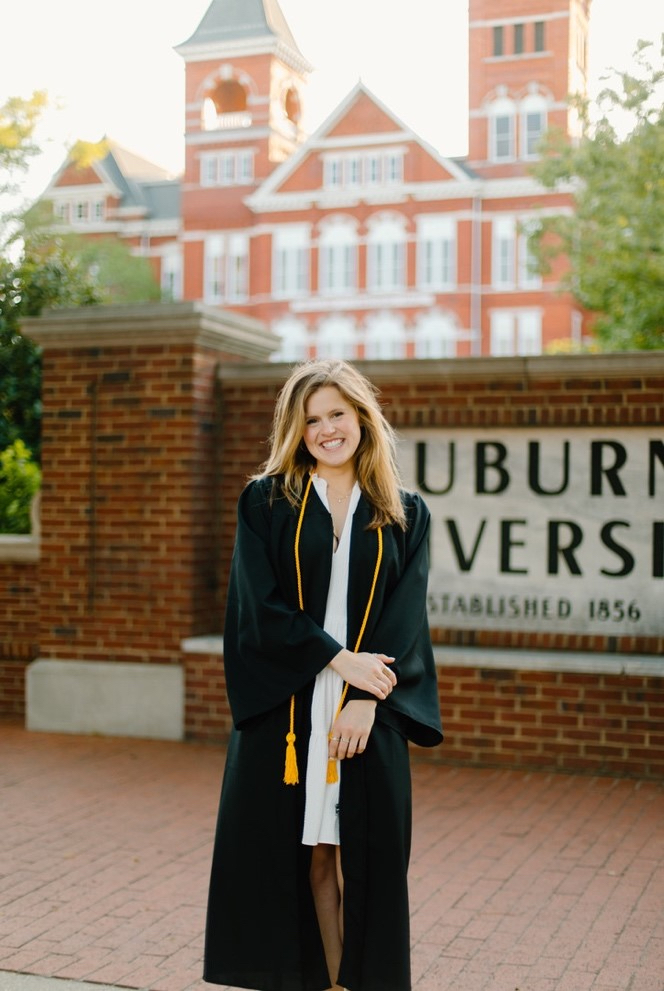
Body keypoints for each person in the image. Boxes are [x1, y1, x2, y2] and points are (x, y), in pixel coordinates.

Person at [204, 359, 443, 991]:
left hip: (370, 709)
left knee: (361, 859)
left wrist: (367, 699)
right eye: (311, 419)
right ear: (296, 429)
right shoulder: (268, 500)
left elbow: (405, 617)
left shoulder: (406, 512)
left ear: (363, 416)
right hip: (289, 707)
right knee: (302, 857)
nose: (326, 429)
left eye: (337, 413)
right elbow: (259, 606)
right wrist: (341, 662)